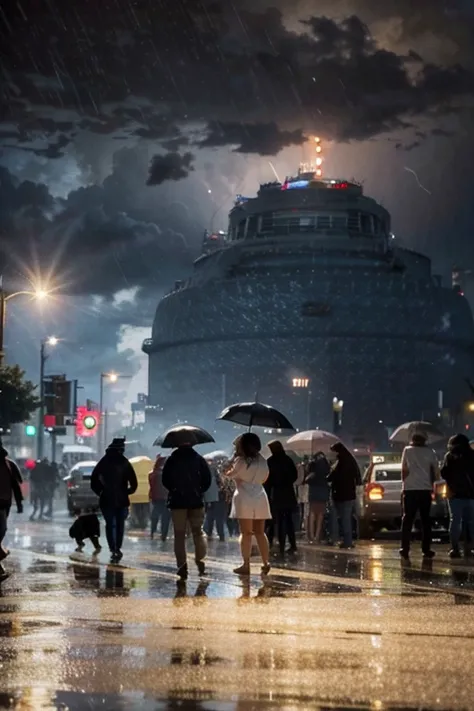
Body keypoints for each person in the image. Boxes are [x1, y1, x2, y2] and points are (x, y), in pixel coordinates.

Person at [162, 441, 212, 580]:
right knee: (197, 531)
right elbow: (207, 480)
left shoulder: (171, 460)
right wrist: (198, 490)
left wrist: (175, 490)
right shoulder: (199, 459)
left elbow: (165, 480)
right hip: (196, 501)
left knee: (179, 535)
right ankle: (200, 559)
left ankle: (182, 566)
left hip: (177, 502)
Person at [226, 433, 271, 575]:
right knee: (260, 532)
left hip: (244, 497)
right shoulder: (263, 460)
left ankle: (246, 564)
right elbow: (265, 478)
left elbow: (229, 475)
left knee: (246, 533)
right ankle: (265, 562)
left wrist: (232, 463)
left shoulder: (240, 461)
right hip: (260, 497)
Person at [90, 438, 138, 563]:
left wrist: (101, 492)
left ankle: (113, 549)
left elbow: (93, 480)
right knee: (119, 525)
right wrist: (128, 491)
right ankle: (117, 548)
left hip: (106, 499)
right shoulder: (124, 462)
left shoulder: (104, 461)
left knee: (110, 524)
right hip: (121, 500)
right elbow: (134, 482)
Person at [400, 433, 440, 560]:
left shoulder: (407, 450)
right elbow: (436, 471)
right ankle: (426, 549)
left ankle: (405, 548)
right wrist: (433, 484)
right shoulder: (430, 451)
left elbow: (404, 470)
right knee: (425, 520)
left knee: (407, 519)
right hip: (425, 489)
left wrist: (404, 485)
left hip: (410, 489)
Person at [441, 433, 474, 558]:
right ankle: (469, 548)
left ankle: (455, 548)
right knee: (470, 522)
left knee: (455, 521)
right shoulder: (472, 455)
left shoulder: (449, 457)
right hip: (471, 495)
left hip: (454, 495)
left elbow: (444, 473)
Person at [266, 440, 298, 556]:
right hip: (288, 495)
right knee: (289, 521)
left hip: (276, 495)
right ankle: (292, 544)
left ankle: (278, 545)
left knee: (276, 521)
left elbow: (267, 481)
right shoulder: (288, 460)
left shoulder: (270, 461)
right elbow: (295, 476)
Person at [328, 442, 361, 549]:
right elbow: (357, 477)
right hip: (349, 494)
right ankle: (348, 540)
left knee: (344, 518)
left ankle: (347, 541)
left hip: (341, 494)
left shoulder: (340, 462)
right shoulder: (350, 460)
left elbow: (333, 476)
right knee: (346, 518)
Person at [0, 446, 23, 581]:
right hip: (3, 504)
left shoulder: (9, 465)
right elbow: (16, 484)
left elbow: (15, 484)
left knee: (1, 530)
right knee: (1, 530)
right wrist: (19, 503)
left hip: (3, 504)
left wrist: (19, 503)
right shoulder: (9, 464)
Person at [304, 452, 331, 543]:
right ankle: (317, 536)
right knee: (320, 514)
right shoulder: (326, 465)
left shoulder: (313, 464)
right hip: (323, 490)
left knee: (312, 513)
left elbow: (307, 475)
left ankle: (311, 535)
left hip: (314, 491)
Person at [204, 458, 228, 542]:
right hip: (216, 498)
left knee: (212, 518)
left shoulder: (212, 471)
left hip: (214, 498)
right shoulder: (216, 471)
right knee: (216, 519)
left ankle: (212, 536)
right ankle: (218, 537)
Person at [149, 455, 170, 541]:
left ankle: (152, 532)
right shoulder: (167, 473)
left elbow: (151, 485)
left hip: (156, 498)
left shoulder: (152, 474)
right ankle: (163, 535)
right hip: (165, 498)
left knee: (155, 516)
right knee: (165, 518)